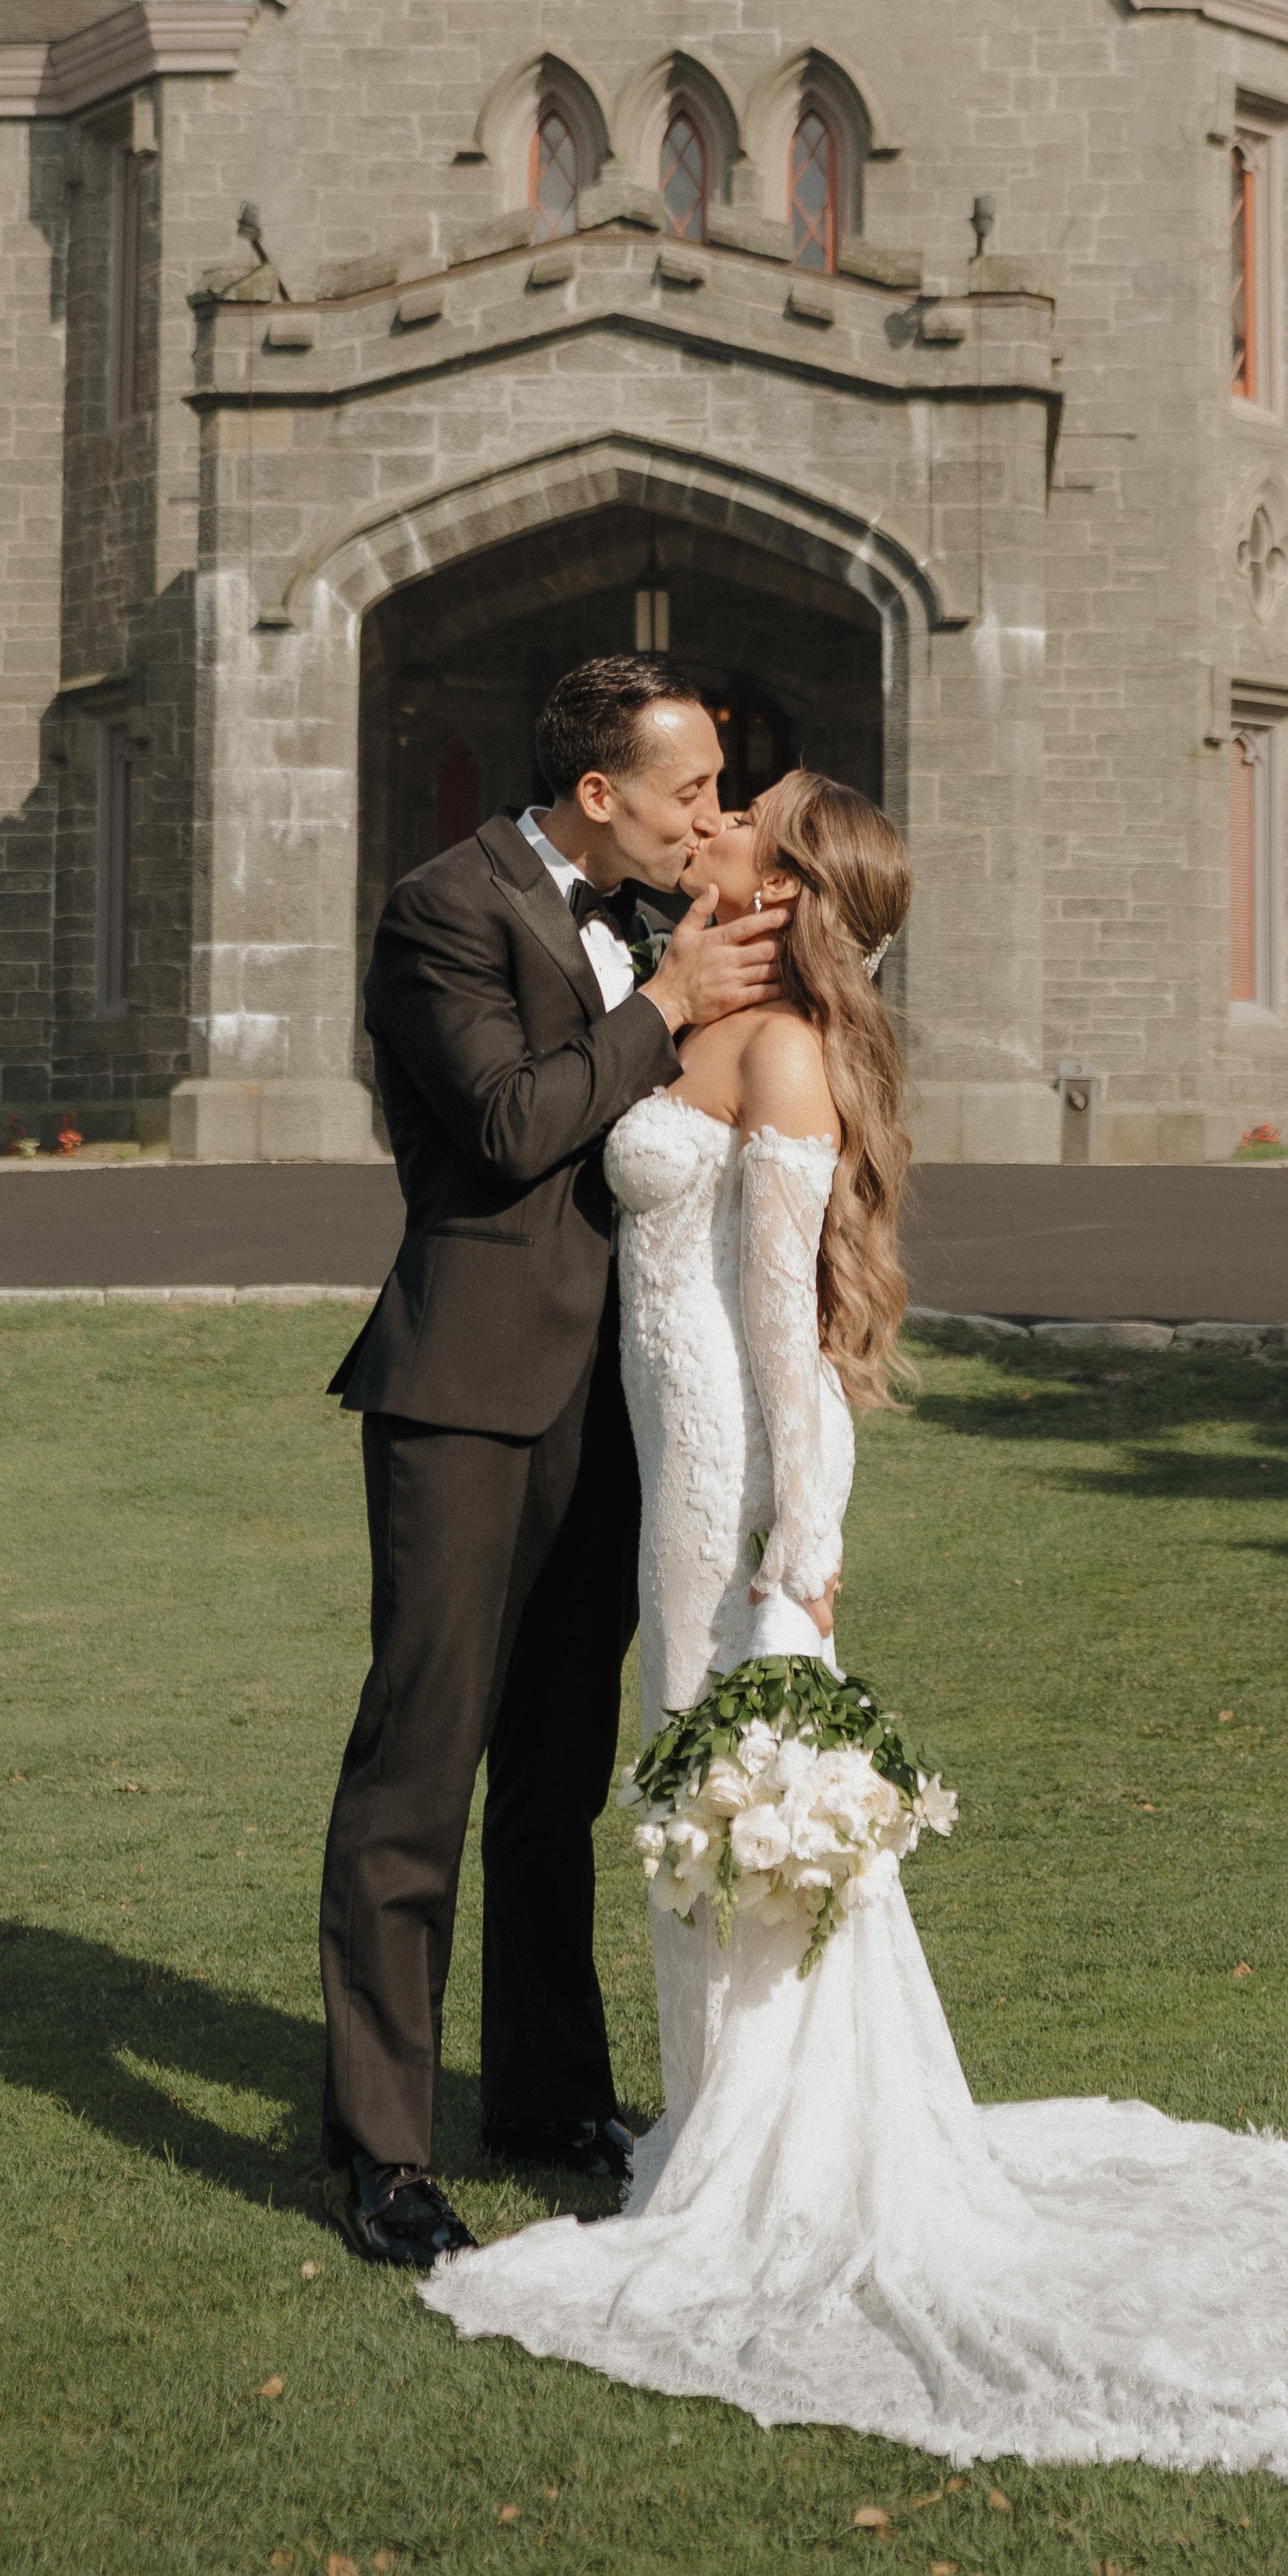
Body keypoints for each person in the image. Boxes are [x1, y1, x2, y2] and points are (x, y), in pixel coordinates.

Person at [423, 773, 1288, 2483]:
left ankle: (753, 2163)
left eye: (746, 818)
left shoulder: (785, 1055)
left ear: (785, 887)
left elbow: (791, 1326)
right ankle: (714, 2118)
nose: (717, 822)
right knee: (682, 1788)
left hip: (735, 1475)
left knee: (715, 1787)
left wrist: (804, 1542)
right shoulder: (694, 1009)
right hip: (668, 1452)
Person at [315, 656, 790, 2268]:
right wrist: (665, 1007)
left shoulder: (661, 919)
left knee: (556, 1773)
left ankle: (544, 2092)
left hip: (622, 1403)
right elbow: (511, 1124)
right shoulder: (441, 909)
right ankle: (382, 2152)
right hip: (464, 1394)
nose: (708, 816)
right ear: (599, 793)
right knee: (418, 1768)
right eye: (688, 791)